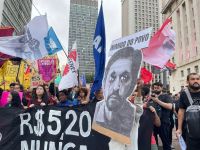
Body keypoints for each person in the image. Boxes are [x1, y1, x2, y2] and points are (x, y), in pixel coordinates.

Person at [93, 47, 143, 141]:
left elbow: (139, 109)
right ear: (104, 81)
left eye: (124, 78)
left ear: (132, 85)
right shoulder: (94, 109)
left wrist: (139, 89)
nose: (116, 87)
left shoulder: (132, 112)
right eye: (112, 77)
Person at [176, 73, 200, 150]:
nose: (196, 81)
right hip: (191, 132)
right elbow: (181, 111)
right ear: (187, 81)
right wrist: (179, 128)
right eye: (192, 79)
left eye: (197, 79)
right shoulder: (184, 94)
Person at [151, 82, 173, 150]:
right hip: (153, 122)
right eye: (155, 88)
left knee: (166, 142)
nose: (156, 89)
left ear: (161, 88)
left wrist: (157, 100)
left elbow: (170, 107)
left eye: (158, 87)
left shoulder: (166, 96)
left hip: (164, 122)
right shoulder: (151, 97)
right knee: (154, 143)